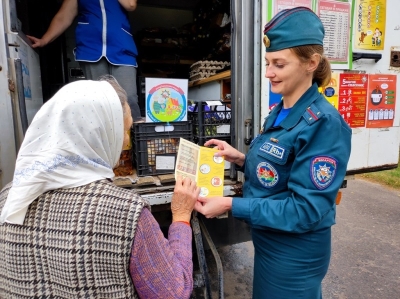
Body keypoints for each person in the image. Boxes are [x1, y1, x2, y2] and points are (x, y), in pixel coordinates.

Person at [195, 7, 352, 299]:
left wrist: (231, 205)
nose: (268, 73)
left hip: (294, 254)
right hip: (271, 244)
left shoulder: (324, 124)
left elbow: (305, 210)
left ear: (311, 63)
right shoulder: (281, 111)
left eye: (279, 64)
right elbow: (281, 171)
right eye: (267, 63)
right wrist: (240, 159)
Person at [0, 76, 199, 299]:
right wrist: (181, 217)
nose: (126, 142)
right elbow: (174, 293)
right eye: (123, 131)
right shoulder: (126, 213)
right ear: (99, 134)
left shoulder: (8, 198)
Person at [26, 0, 144, 122]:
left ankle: (134, 138)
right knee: (99, 101)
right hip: (91, 49)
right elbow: (63, 17)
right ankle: (105, 139)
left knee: (128, 99)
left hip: (122, 48)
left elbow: (130, 4)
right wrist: (44, 40)